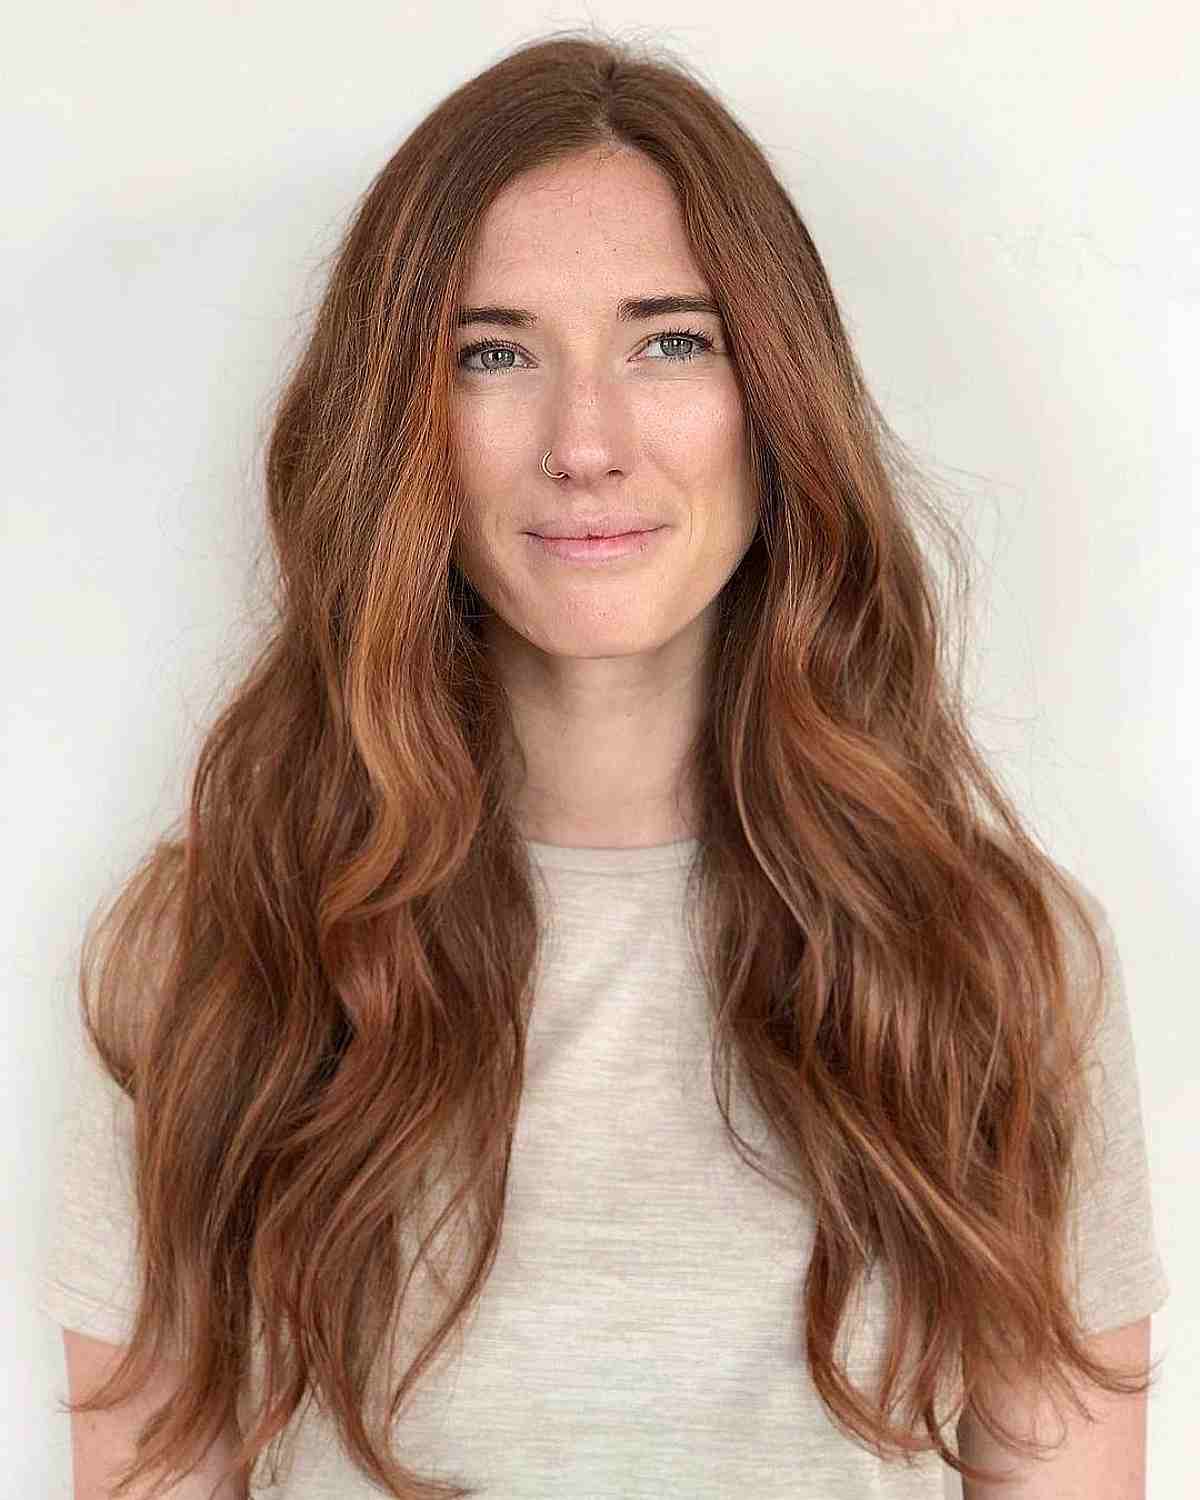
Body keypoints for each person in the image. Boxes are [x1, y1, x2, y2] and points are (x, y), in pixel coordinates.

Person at [39, 28, 1168, 1500]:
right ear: (402, 427)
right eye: (492, 353)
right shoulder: (207, 959)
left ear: (778, 399)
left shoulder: (997, 960)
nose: (587, 441)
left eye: (671, 341)